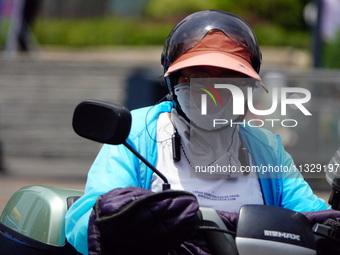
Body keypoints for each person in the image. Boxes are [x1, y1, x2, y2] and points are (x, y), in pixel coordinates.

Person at [65, 10, 328, 255]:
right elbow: (85, 217)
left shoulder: (264, 147)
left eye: (228, 78)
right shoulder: (137, 133)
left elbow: (311, 215)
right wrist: (126, 219)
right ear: (173, 80)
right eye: (197, 76)